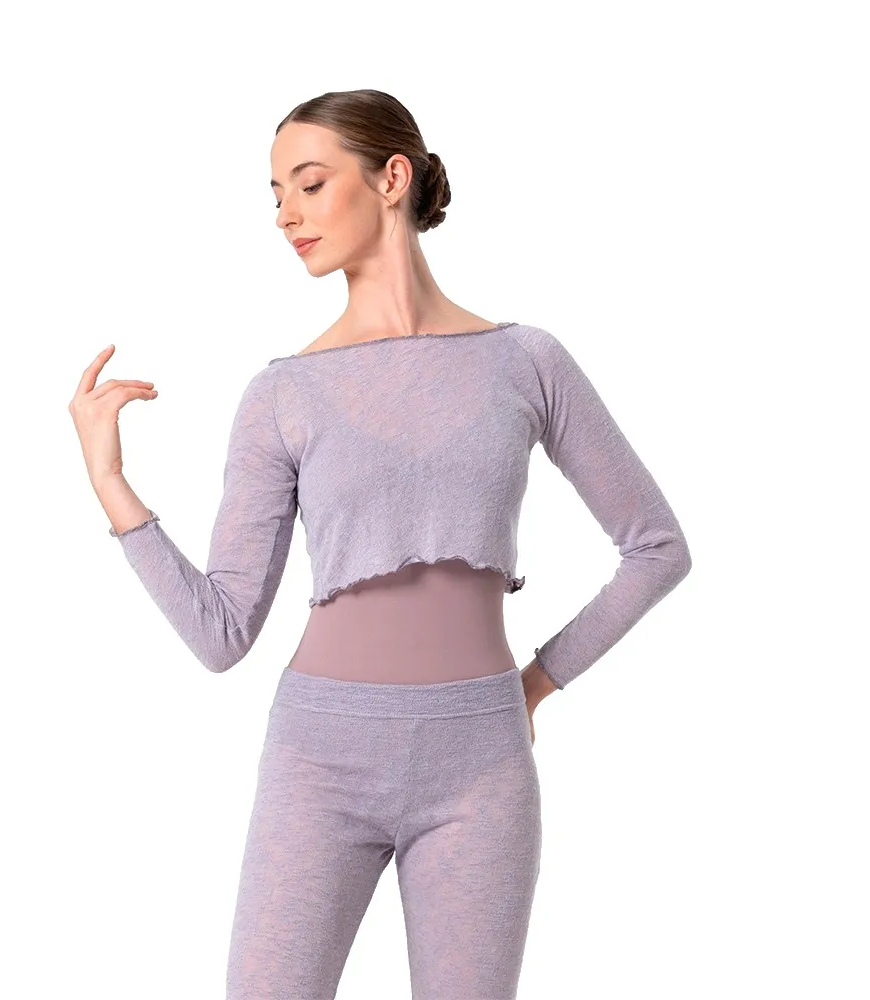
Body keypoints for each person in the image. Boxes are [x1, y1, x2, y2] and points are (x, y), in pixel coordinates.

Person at [69, 88, 692, 1000]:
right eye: (275, 193)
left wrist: (535, 683)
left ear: (392, 178)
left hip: (482, 766)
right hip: (318, 760)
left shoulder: (527, 362)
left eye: (310, 183)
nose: (285, 214)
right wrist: (111, 483)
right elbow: (221, 633)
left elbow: (657, 549)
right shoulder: (282, 394)